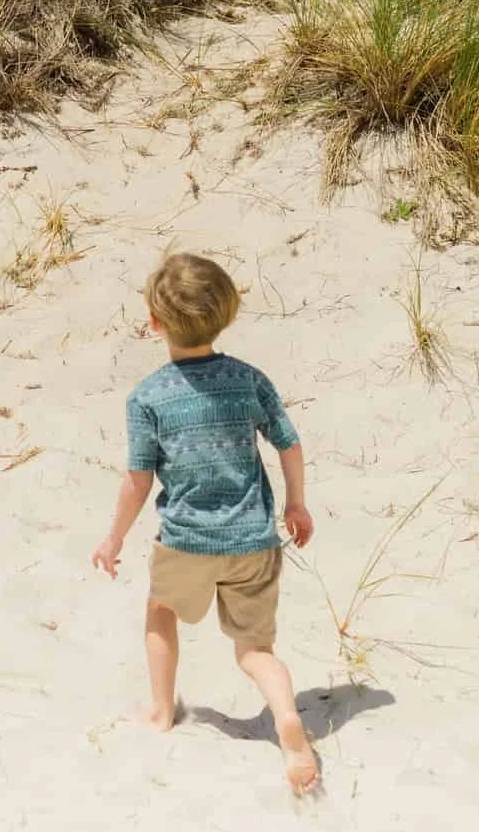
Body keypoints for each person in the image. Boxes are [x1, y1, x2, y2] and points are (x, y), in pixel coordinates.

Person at [90, 253, 320, 795]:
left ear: (155, 323)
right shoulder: (247, 380)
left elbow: (138, 481)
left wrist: (115, 536)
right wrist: (296, 505)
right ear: (227, 314)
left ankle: (162, 711)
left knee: (161, 612)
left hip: (187, 542)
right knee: (255, 652)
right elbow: (288, 441)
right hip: (253, 540)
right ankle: (286, 717)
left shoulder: (147, 398)